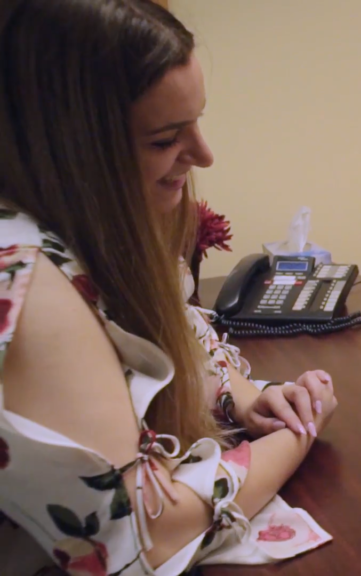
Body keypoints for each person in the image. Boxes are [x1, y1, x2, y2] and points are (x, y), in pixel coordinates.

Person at [0, 1, 337, 574]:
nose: (204, 155)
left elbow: (174, 332)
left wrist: (248, 398)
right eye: (163, 140)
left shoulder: (87, 234)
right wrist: (298, 437)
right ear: (73, 151)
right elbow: (143, 535)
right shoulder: (27, 283)